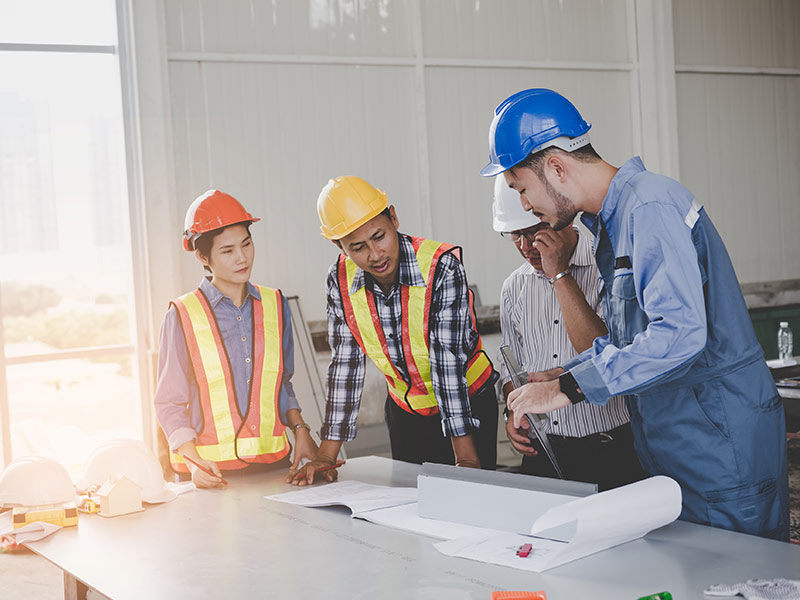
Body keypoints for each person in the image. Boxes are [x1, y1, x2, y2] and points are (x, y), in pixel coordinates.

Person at [481, 88, 789, 541]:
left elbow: (680, 335)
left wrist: (567, 389)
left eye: (521, 188)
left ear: (556, 168)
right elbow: (631, 345)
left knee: (738, 579)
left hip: (718, 446)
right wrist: (561, 374)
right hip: (678, 444)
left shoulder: (649, 206)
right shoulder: (615, 221)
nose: (526, 205)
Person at [289, 176, 498, 485]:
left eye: (379, 237)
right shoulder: (340, 280)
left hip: (467, 405)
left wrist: (465, 457)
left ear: (394, 218)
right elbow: (345, 366)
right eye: (357, 247)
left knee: (469, 504)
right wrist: (326, 457)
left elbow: (447, 363)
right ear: (339, 246)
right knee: (410, 506)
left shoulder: (441, 267)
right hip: (405, 414)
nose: (375, 254)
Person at [154, 190, 318, 488]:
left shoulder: (276, 305)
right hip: (208, 473)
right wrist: (193, 461)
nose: (242, 257)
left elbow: (281, 383)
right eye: (227, 251)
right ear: (203, 256)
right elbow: (169, 402)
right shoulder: (182, 314)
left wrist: (301, 430)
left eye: (246, 244)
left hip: (274, 467)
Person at [493, 176, 644, 491]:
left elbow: (600, 351)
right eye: (515, 235)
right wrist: (513, 410)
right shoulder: (514, 287)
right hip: (544, 453)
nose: (526, 247)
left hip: (609, 450)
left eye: (535, 233)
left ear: (561, 218)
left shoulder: (609, 269)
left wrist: (560, 274)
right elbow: (512, 366)